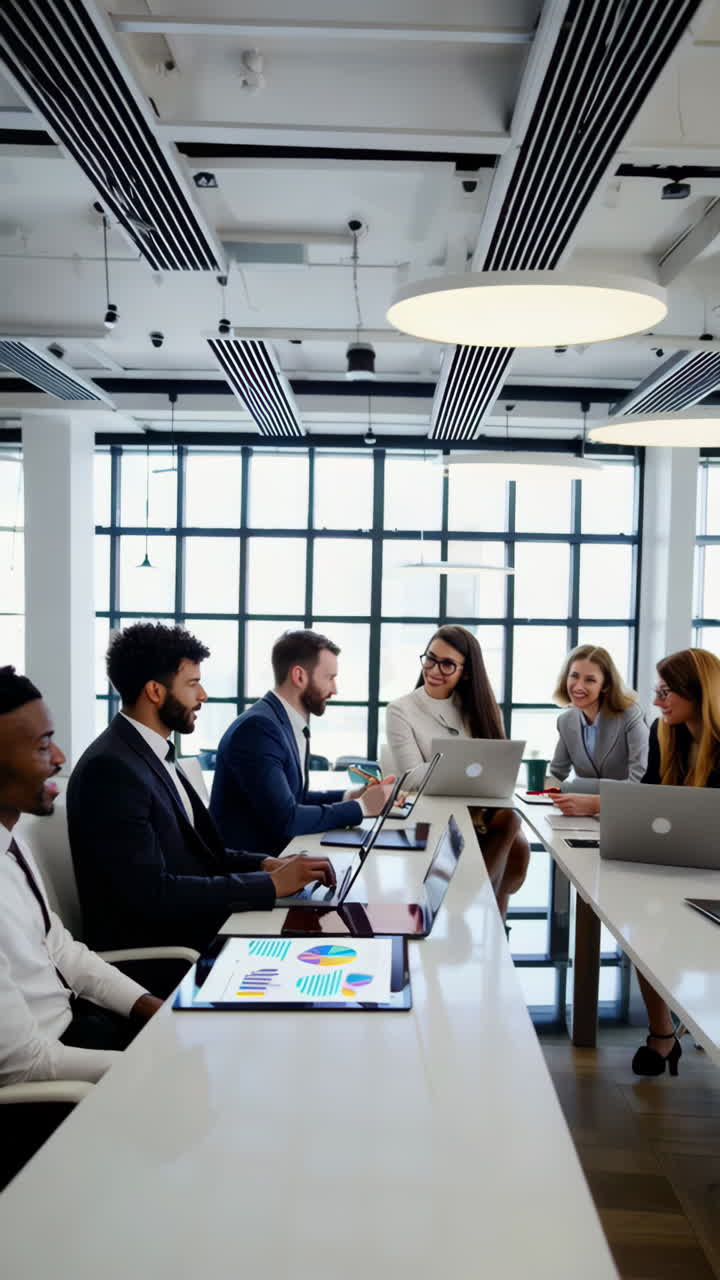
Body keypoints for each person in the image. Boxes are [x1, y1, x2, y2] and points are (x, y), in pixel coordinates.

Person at [67, 624, 334, 955]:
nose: (203, 695)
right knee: (318, 945)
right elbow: (151, 895)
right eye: (193, 684)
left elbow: (199, 855)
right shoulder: (111, 769)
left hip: (197, 922)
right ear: (155, 691)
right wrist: (269, 885)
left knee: (326, 927)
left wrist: (265, 864)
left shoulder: (148, 750)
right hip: (168, 949)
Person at [0, 668, 164, 1183]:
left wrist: (150, 1009)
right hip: (42, 1100)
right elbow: (21, 1065)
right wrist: (143, 1070)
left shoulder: (12, 842)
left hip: (76, 1037)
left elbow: (62, 950)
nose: (59, 758)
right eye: (42, 745)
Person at [555, 648, 720, 1077]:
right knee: (640, 921)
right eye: (657, 691)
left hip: (712, 868)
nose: (659, 701)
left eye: (667, 692)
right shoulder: (665, 734)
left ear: (697, 693)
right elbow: (646, 798)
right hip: (680, 860)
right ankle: (662, 1033)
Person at [385, 625, 529, 919]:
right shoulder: (400, 710)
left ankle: (472, 904)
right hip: (433, 811)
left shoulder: (481, 708)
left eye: (447, 664)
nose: (435, 669)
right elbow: (411, 777)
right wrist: (454, 764)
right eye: (430, 658)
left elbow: (498, 770)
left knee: (511, 819)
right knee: (511, 831)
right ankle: (483, 913)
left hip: (481, 812)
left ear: (465, 672)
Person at [210, 630, 395, 855]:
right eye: (330, 678)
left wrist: (351, 796)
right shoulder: (258, 729)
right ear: (299, 676)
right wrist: (362, 807)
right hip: (254, 870)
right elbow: (287, 818)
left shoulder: (281, 721)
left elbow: (292, 797)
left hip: (280, 856)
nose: (334, 689)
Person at [548, 644, 648, 797]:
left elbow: (639, 782)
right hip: (580, 815)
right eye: (574, 676)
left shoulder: (630, 716)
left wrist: (579, 786)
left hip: (623, 811)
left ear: (605, 685)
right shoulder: (566, 721)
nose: (578, 686)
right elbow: (556, 775)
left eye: (590, 680)